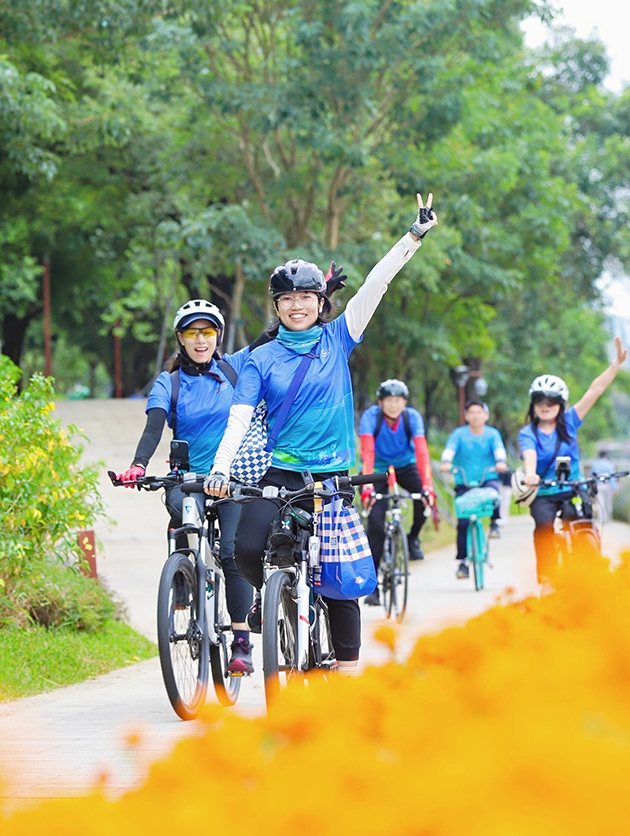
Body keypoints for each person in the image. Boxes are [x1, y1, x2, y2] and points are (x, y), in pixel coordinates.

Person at [206, 194, 438, 677]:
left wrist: (412, 237)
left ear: (320, 302)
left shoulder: (339, 337)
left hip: (332, 477)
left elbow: (376, 283)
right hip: (281, 472)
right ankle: (269, 599)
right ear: (277, 306)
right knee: (245, 549)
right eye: (287, 299)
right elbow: (240, 417)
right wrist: (220, 470)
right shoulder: (261, 359)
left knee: (338, 579)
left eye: (305, 298)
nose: (297, 306)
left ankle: (348, 674)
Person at [118, 301, 249, 653]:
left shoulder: (234, 369)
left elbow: (273, 337)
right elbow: (153, 427)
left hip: (230, 478)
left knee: (232, 552)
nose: (200, 339)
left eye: (207, 332)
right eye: (192, 332)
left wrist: (316, 299)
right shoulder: (170, 382)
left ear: (218, 335)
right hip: (187, 478)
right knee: (181, 513)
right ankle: (183, 572)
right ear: (180, 338)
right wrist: (139, 465)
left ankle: (241, 641)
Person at [520, 337, 628, 580]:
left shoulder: (570, 421)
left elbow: (595, 390)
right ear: (533, 404)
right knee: (544, 529)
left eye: (551, 401)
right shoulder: (528, 433)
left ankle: (589, 573)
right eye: (539, 401)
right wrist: (531, 474)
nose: (545, 406)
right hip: (544, 492)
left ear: (560, 404)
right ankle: (546, 579)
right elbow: (529, 455)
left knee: (585, 524)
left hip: (573, 488)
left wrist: (616, 363)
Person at [358, 379, 434, 579]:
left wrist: (427, 485)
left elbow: (422, 452)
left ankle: (413, 537)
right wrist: (367, 485)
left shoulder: (412, 417)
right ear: (380, 402)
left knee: (424, 498)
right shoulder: (370, 417)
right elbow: (367, 452)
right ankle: (373, 580)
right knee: (376, 524)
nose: (393, 405)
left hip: (405, 464)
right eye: (389, 400)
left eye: (398, 400)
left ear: (405, 402)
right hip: (376, 468)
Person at [440, 400, 507, 580]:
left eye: (479, 412)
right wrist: (446, 462)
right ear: (466, 415)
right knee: (463, 522)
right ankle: (462, 562)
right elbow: (450, 449)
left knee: (494, 494)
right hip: (464, 481)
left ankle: (495, 523)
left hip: (487, 477)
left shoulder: (492, 434)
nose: (476, 416)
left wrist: (501, 462)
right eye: (472, 412)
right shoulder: (459, 434)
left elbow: (499, 450)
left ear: (486, 415)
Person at [588, 448, 618, 523]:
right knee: (608, 503)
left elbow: (591, 476)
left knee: (600, 503)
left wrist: (591, 487)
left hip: (599, 485)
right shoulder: (610, 464)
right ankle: (608, 518)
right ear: (606, 455)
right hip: (608, 485)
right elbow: (613, 477)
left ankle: (602, 519)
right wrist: (614, 488)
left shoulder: (595, 464)